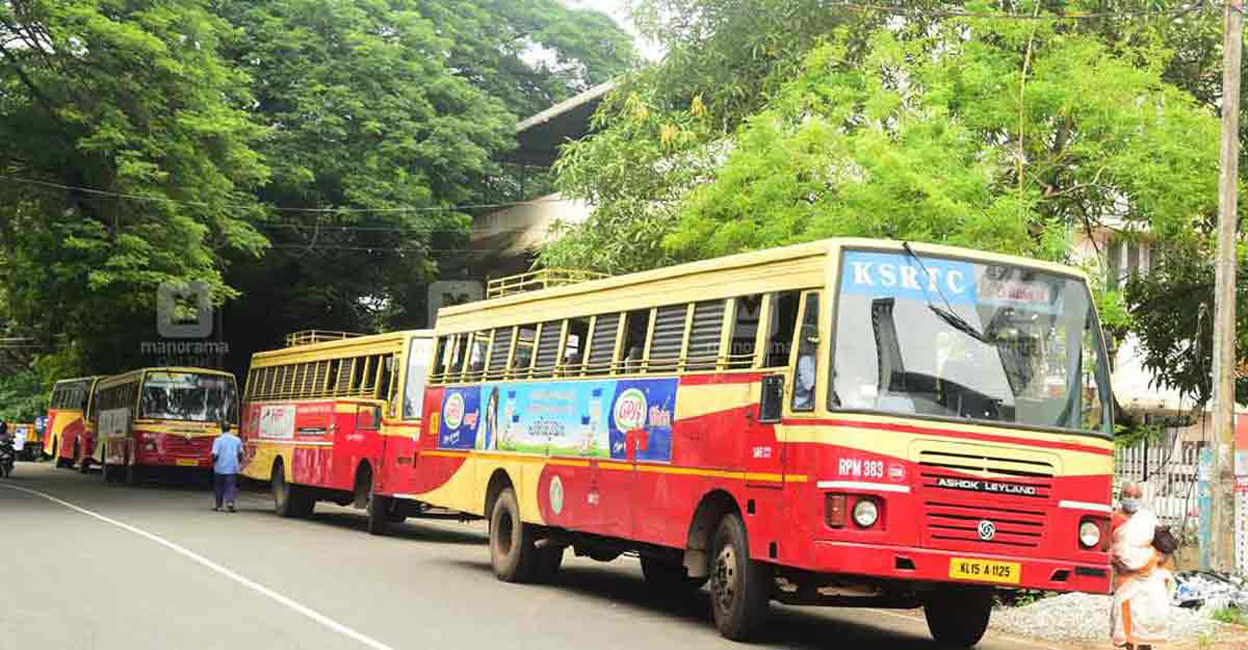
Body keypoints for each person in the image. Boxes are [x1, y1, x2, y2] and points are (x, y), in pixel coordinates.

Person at [1110, 482, 1169, 649]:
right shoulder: (1113, 518)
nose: (1132, 499)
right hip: (1126, 576)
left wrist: (1161, 559)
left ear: (1141, 498)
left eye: (1136, 496)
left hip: (1150, 576)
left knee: (1148, 615)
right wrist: (1116, 563)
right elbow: (1105, 548)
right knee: (1126, 614)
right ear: (1121, 496)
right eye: (1128, 495)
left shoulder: (1148, 519)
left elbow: (1165, 544)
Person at [211, 419, 244, 512]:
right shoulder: (237, 440)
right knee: (231, 486)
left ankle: (218, 506)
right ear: (230, 429)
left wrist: (213, 462)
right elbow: (240, 453)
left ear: (222, 429)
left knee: (219, 487)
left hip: (219, 467)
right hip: (232, 467)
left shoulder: (218, 440)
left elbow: (214, 454)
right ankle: (230, 503)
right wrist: (239, 463)